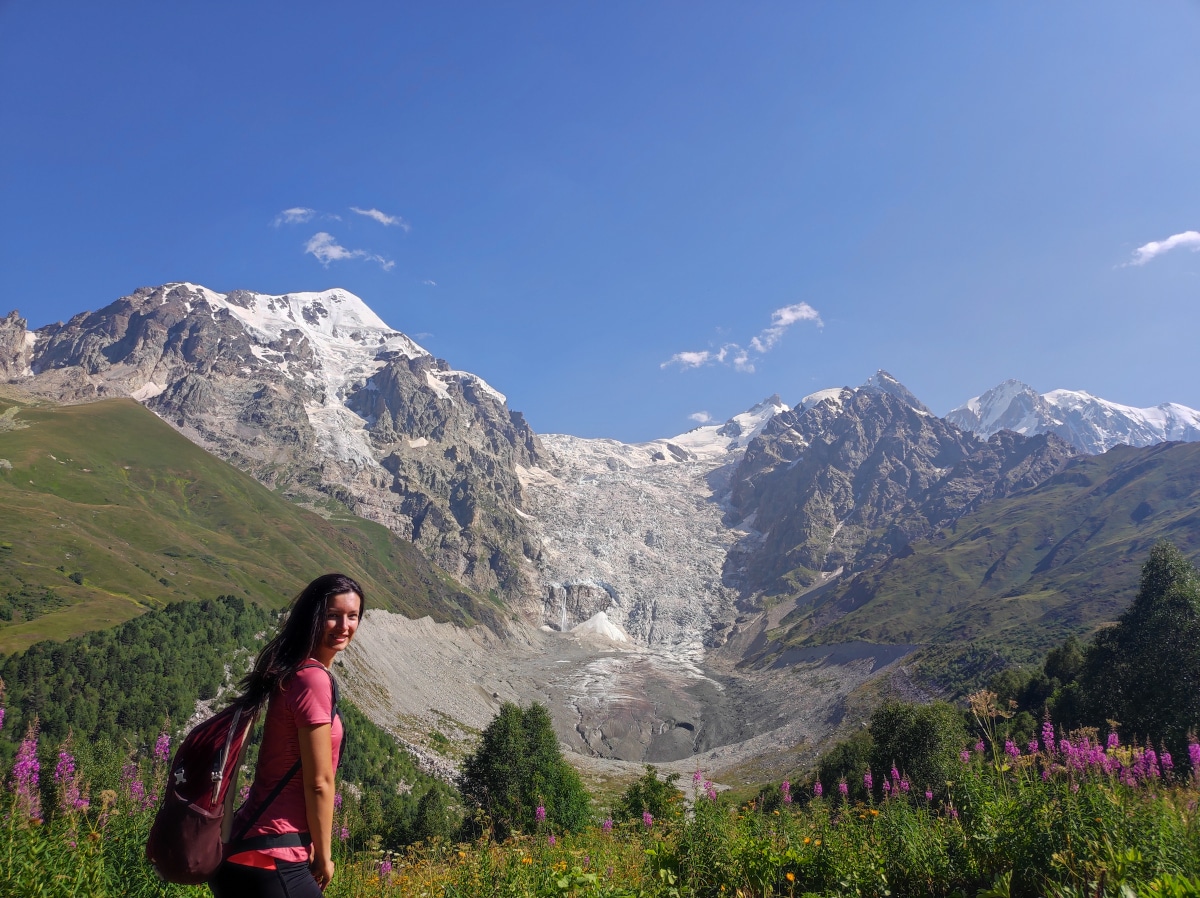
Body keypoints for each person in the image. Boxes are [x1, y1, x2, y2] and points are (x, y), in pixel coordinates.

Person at [208, 573, 364, 897]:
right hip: (272, 856)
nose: (343, 626)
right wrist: (325, 856)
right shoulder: (313, 680)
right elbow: (319, 782)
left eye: (352, 616)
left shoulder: (295, 671)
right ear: (314, 617)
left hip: (252, 847)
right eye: (332, 615)